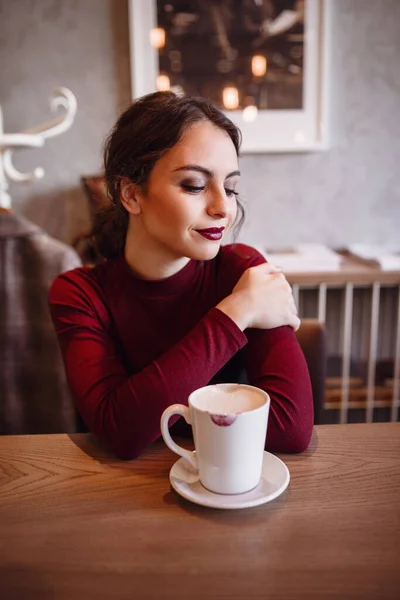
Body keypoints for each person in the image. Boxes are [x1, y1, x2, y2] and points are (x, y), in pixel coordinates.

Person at [49, 91, 313, 460]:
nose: (224, 208)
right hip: (119, 499)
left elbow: (292, 427)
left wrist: (150, 418)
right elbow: (118, 433)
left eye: (231, 187)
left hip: (224, 491)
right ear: (130, 194)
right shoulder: (78, 293)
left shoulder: (242, 271)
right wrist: (236, 314)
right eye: (194, 185)